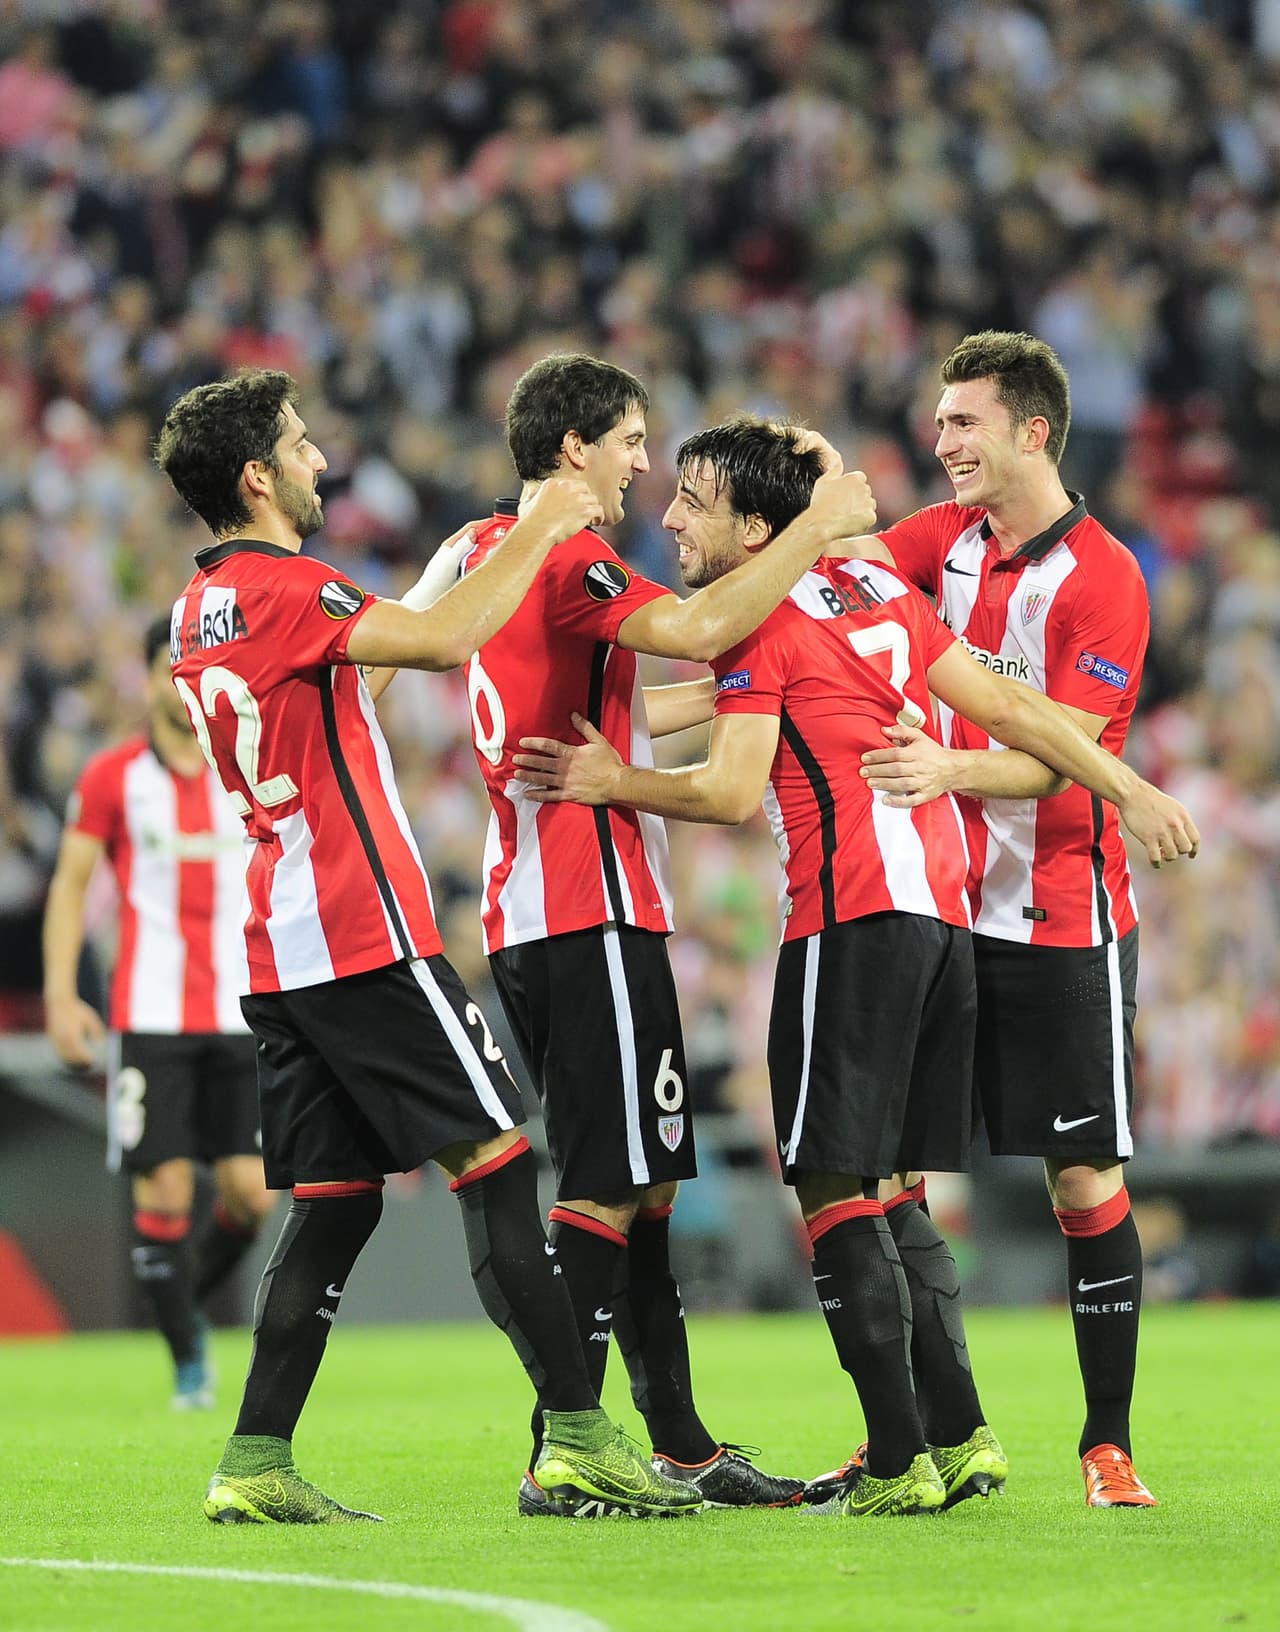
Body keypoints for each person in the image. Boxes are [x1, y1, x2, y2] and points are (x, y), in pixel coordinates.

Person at [512, 414, 1198, 1516]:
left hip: (847, 917)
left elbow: (733, 790)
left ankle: (893, 1461)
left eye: (694, 500)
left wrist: (611, 783)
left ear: (753, 527)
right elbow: (1017, 708)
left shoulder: (757, 618)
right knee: (890, 1192)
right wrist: (1130, 786)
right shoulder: (880, 598)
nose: (670, 516)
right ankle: (958, 1435)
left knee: (830, 1183)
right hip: (942, 925)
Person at [153, 365, 703, 1524]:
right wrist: (541, 522)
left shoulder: (199, 604)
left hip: (281, 943)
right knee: (498, 1162)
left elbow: (389, 642)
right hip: (366, 929)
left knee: (338, 1202)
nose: (317, 461)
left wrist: (463, 563)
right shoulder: (290, 585)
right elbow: (447, 642)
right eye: (300, 447)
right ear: (255, 475)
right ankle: (579, 1437)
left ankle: (253, 1459)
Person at [417, 353, 877, 1514]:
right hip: (590, 906)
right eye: (629, 440)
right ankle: (565, 1444)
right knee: (612, 1182)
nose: (640, 465)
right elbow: (708, 622)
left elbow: (632, 697)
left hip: (543, 905)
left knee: (647, 1184)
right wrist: (816, 525)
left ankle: (675, 1444)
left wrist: (710, 716)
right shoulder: (571, 557)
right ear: (572, 448)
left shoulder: (484, 549)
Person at [849, 329, 1185, 1506]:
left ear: (1030, 431)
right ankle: (921, 1432)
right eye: (937, 424)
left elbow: (1070, 759)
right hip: (935, 913)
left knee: (1079, 1182)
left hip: (1059, 921)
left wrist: (943, 770)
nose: (938, 445)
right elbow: (835, 567)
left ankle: (1106, 1445)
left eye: (960, 424)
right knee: (885, 1172)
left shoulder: (1102, 576)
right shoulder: (935, 543)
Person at [42, 614, 276, 1411]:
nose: (182, 680)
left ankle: (170, 1300)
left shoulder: (242, 763)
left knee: (252, 1194)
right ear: (148, 681)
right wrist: (61, 993)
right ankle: (186, 1358)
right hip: (150, 1016)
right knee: (166, 1192)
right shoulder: (112, 777)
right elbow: (70, 886)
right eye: (169, 668)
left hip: (242, 1011)